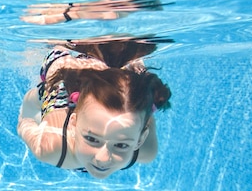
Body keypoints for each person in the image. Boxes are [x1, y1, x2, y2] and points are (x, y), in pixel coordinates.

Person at [17, 45, 171, 179]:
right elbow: (26, 117)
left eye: (122, 145)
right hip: (66, 67)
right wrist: (40, 96)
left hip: (81, 76)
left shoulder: (145, 149)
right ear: (73, 124)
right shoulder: (51, 144)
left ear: (140, 139)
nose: (102, 159)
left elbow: (144, 119)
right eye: (92, 139)